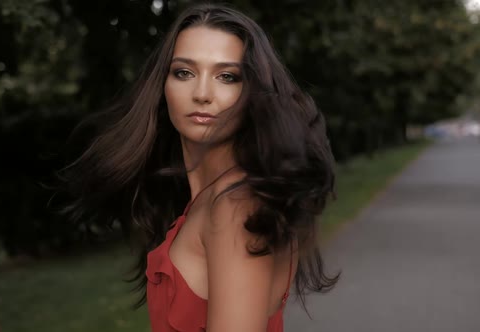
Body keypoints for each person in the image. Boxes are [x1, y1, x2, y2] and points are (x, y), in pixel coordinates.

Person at [62, 3, 339, 331]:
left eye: (227, 76)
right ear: (163, 86)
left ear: (253, 92)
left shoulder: (235, 204)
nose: (202, 93)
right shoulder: (210, 201)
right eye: (184, 72)